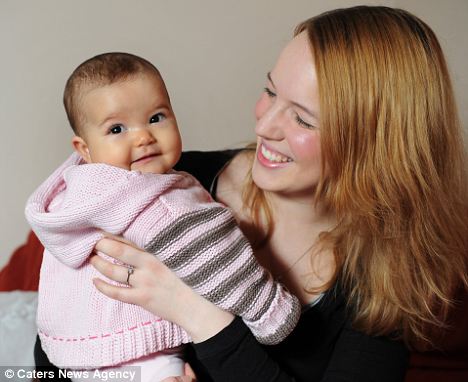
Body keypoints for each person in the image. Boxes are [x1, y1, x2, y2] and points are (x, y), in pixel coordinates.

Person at [35, 5, 468, 382]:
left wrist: (198, 314)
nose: (264, 126)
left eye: (302, 119)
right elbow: (52, 351)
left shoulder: (393, 279)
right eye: (270, 92)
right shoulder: (159, 183)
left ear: (376, 143)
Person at [26, 52, 301, 381]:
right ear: (83, 148)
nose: (143, 137)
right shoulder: (152, 197)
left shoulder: (71, 194)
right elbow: (214, 254)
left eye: (156, 117)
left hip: (72, 352)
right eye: (117, 128)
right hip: (140, 354)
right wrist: (270, 309)